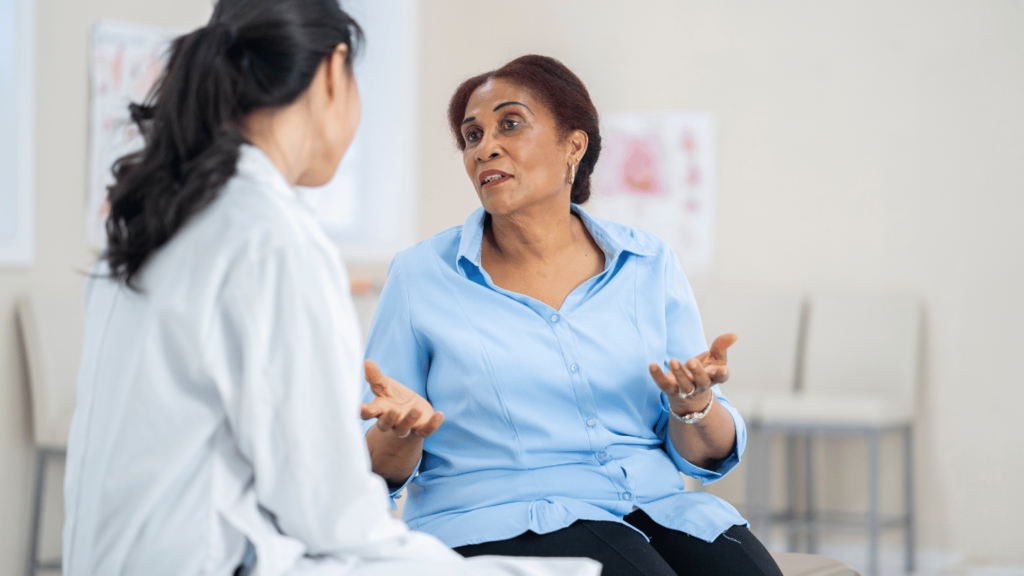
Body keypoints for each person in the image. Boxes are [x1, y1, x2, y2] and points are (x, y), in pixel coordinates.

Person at [61, 3, 599, 575]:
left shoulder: (156, 223)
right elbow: (334, 520)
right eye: (472, 134)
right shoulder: (272, 237)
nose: (484, 147)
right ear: (332, 71)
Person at [360, 55, 784, 576]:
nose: (484, 147)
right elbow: (374, 471)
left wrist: (693, 404)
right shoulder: (421, 275)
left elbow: (703, 455)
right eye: (472, 136)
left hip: (655, 506)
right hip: (499, 518)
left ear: (573, 146)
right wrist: (403, 430)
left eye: (509, 124)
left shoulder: (648, 263)